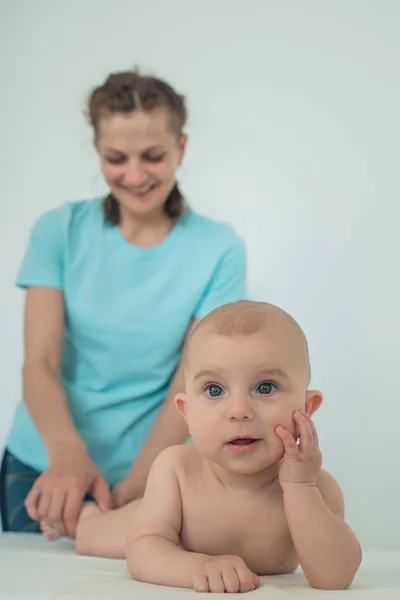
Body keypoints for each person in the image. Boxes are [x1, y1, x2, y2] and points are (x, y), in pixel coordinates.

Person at [0, 70, 247, 537]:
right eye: (116, 158)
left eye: (153, 156)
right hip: (47, 462)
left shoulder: (219, 249)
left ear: (182, 148)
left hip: (157, 467)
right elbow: (40, 360)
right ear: (97, 152)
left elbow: (192, 375)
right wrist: (67, 454)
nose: (134, 176)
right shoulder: (58, 231)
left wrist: (146, 476)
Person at [40, 301, 362, 593]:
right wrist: (195, 566)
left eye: (265, 387)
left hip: (300, 486)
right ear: (186, 414)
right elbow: (142, 551)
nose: (238, 410)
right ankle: (85, 516)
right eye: (214, 389)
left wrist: (300, 486)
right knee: (93, 538)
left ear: (306, 408)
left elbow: (334, 577)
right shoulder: (177, 469)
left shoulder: (318, 489)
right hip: (153, 521)